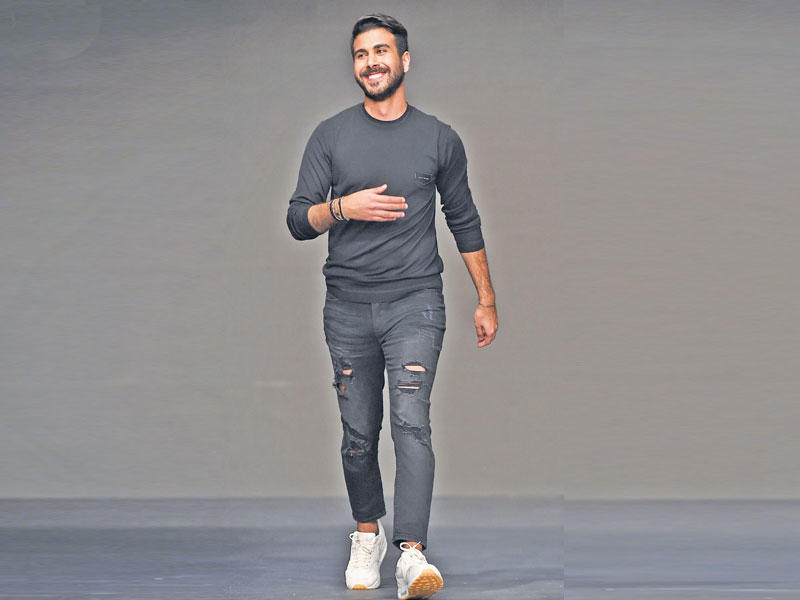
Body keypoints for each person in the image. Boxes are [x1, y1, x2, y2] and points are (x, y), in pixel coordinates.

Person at [286, 13, 497, 600]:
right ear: (355, 66)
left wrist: (486, 298)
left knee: (410, 421)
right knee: (358, 433)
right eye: (361, 54)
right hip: (347, 307)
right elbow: (298, 218)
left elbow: (464, 219)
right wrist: (342, 208)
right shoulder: (329, 136)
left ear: (404, 61)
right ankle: (367, 535)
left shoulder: (439, 138)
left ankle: (411, 554)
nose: (371, 62)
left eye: (381, 51)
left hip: (415, 303)